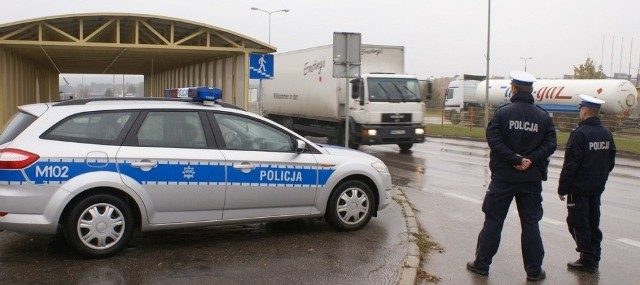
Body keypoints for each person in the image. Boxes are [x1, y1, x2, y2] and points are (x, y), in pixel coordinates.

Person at [466, 71, 557, 282]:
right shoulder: (542, 116)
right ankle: (534, 271)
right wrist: (529, 160)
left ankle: (482, 264)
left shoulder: (502, 113)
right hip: (531, 179)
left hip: (504, 177)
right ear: (531, 90)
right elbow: (550, 144)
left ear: (513, 89)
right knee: (530, 223)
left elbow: (494, 140)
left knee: (494, 220)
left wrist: (514, 159)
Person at [558, 94, 616, 274]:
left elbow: (570, 165)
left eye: (581, 109)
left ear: (584, 111)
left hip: (579, 188)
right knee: (593, 221)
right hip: (596, 187)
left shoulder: (579, 134)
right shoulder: (606, 133)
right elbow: (611, 160)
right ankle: (595, 254)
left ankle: (587, 259)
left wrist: (563, 188)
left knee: (577, 222)